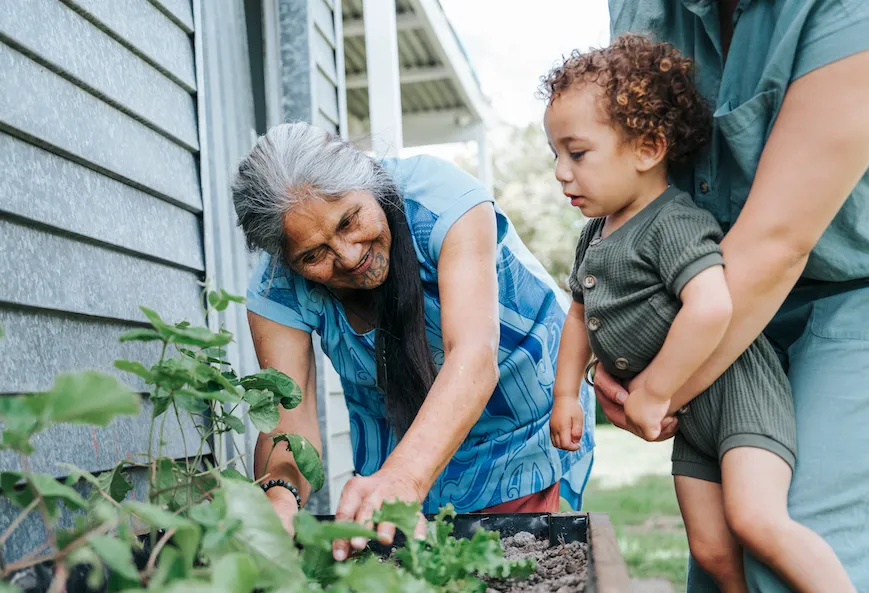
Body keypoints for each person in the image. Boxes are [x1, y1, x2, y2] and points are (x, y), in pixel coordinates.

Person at [544, 34, 855, 593]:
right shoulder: (595, 234)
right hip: (691, 419)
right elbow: (577, 313)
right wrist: (568, 392)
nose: (562, 173)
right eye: (556, 156)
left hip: (736, 391)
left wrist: (656, 390)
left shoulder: (673, 222)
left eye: (578, 153)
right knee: (711, 550)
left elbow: (712, 306)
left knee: (757, 522)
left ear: (646, 149)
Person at [231, 122, 595, 562]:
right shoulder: (275, 288)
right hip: (395, 436)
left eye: (349, 221)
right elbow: (289, 427)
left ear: (367, 178)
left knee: (503, 564)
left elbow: (475, 357)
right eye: (313, 255)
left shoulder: (442, 201)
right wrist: (279, 496)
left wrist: (404, 478)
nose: (348, 256)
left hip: (512, 425)